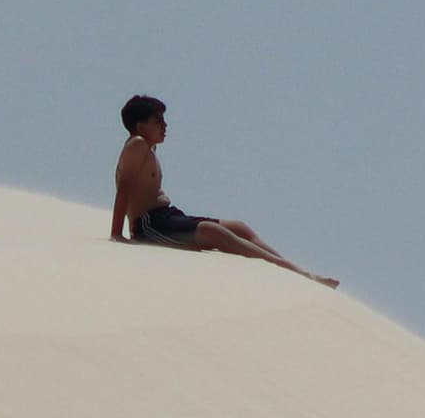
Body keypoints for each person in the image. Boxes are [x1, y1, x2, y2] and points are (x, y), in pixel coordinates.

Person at [111, 94, 335, 286]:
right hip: (149, 225)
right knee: (212, 232)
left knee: (239, 227)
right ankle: (297, 273)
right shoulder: (137, 144)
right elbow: (124, 188)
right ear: (140, 126)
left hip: (167, 217)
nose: (165, 125)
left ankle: (291, 268)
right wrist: (117, 234)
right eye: (157, 121)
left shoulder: (149, 148)